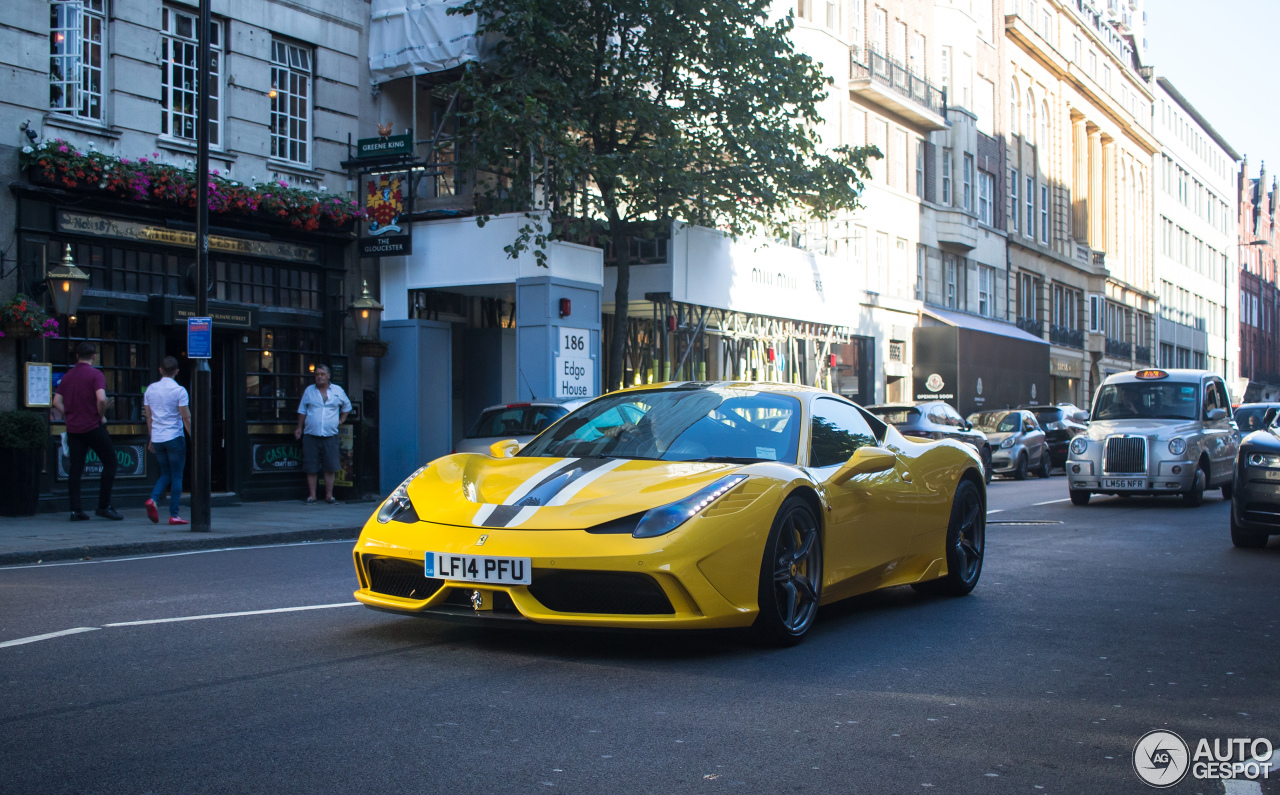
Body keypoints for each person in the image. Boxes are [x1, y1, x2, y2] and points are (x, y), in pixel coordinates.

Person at [52, 341, 121, 521]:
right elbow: (101, 398)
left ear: (77, 356)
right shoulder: (95, 374)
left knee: (75, 468)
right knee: (111, 462)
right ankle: (103, 506)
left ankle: (76, 510)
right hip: (93, 426)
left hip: (74, 428)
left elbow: (56, 402)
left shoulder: (68, 376)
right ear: (93, 356)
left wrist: (68, 414)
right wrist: (100, 414)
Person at [144, 356, 193, 525]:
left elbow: (149, 418)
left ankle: (153, 499)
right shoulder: (179, 391)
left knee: (165, 473)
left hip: (157, 438)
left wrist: (151, 437)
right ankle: (174, 514)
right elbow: (185, 417)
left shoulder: (150, 390)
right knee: (177, 475)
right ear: (177, 371)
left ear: (160, 370)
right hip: (174, 437)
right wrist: (194, 435)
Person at [294, 364, 351, 504]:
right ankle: (312, 495)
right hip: (311, 434)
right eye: (317, 374)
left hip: (330, 434)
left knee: (330, 466)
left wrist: (342, 419)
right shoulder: (309, 391)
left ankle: (329, 495)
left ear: (328, 376)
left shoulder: (337, 390)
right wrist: (299, 427)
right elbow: (302, 410)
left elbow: (347, 406)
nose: (319, 377)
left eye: (322, 374)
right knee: (311, 466)